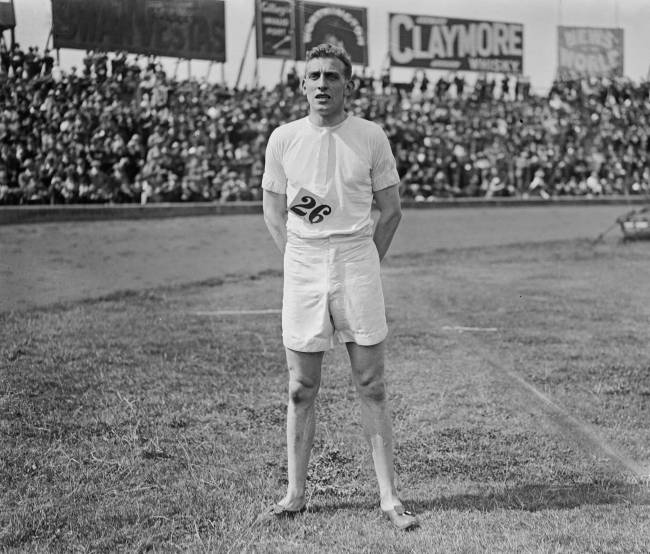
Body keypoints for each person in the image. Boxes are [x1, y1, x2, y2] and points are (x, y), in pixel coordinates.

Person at [261, 43, 418, 530]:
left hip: (355, 258)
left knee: (371, 383)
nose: (323, 83)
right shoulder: (283, 138)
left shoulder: (370, 136)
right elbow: (272, 207)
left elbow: (390, 211)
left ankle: (389, 497)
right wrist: (294, 256)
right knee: (299, 387)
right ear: (303, 85)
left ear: (348, 84)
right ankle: (295, 494)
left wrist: (366, 260)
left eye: (332, 75)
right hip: (304, 260)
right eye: (315, 76)